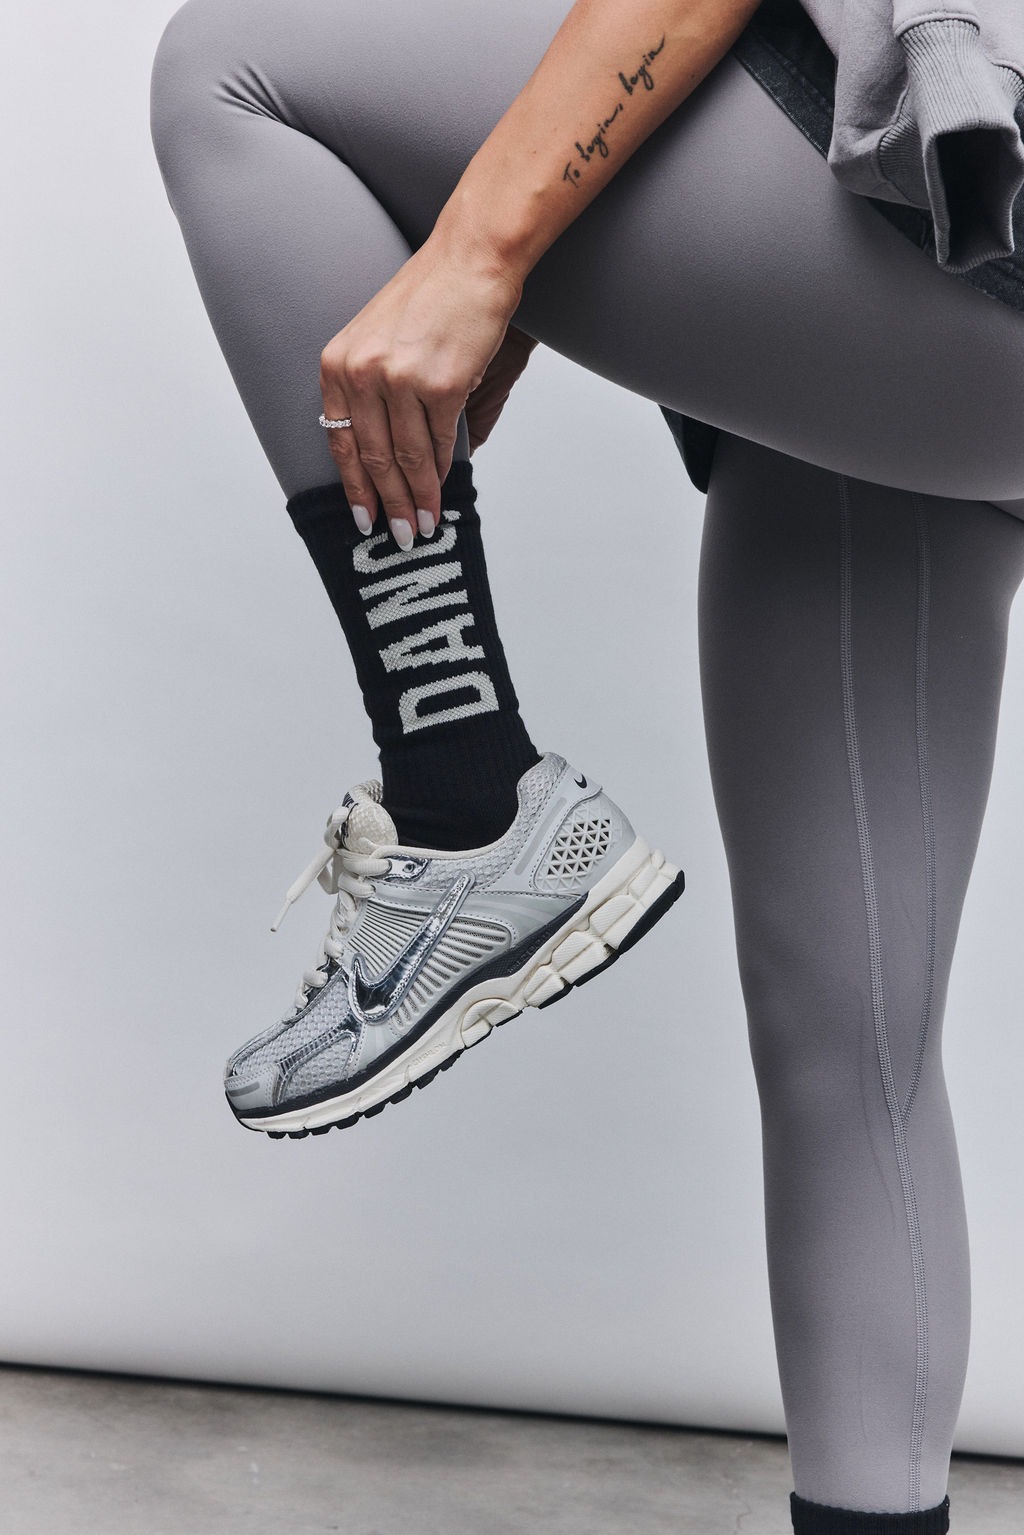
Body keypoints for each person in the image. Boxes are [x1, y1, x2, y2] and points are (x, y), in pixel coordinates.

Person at [148, 1, 1024, 1530]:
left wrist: (481, 250)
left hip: (966, 239)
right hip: (934, 323)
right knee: (852, 1044)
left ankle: (466, 805)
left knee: (232, 66)